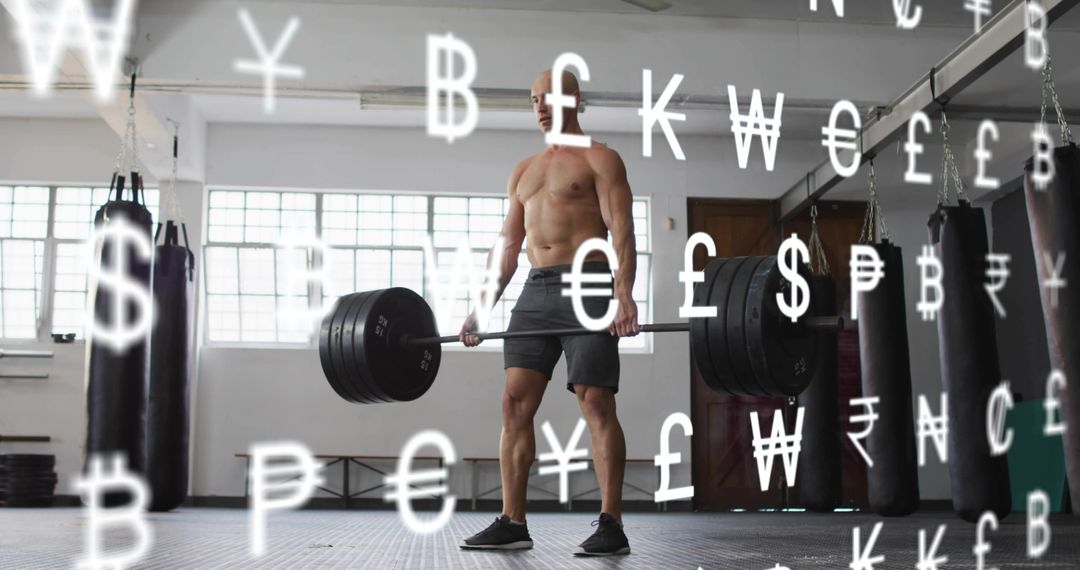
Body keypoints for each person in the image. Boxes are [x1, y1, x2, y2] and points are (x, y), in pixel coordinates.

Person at [457, 68, 639, 557]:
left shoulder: (601, 159)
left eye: (548, 97)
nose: (539, 106)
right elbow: (508, 246)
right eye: (533, 99)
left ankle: (611, 525)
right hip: (536, 290)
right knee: (513, 404)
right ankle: (512, 521)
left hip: (588, 283)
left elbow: (622, 229)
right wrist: (481, 308)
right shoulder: (524, 171)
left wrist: (624, 293)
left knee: (595, 400)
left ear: (575, 99)